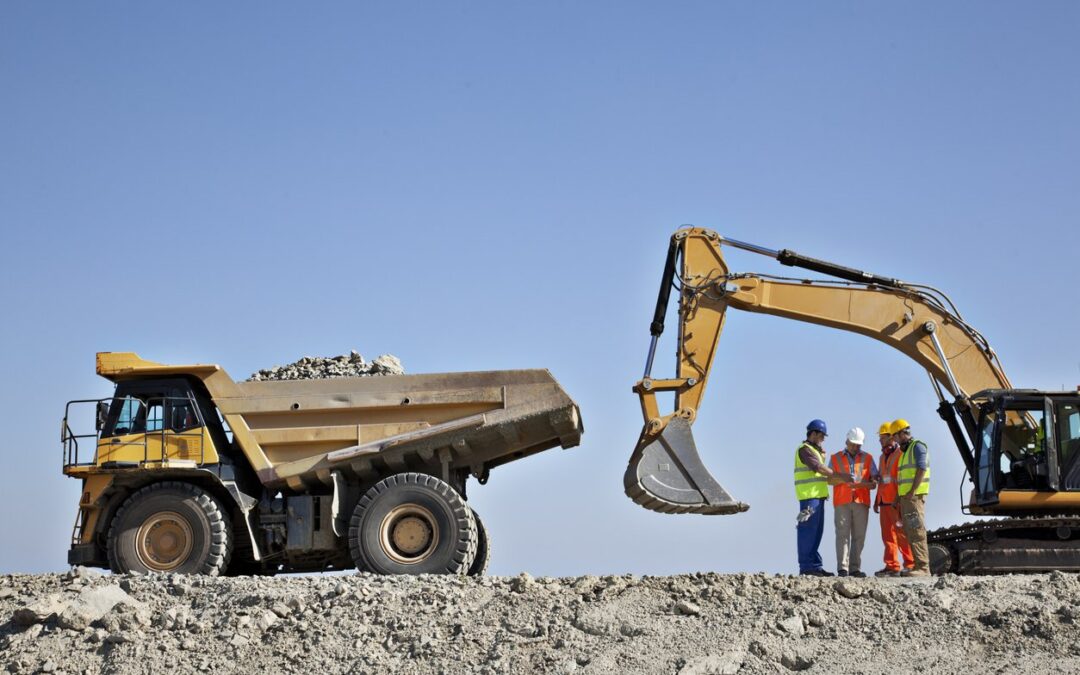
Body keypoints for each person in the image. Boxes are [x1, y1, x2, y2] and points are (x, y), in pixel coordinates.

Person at [795, 419, 852, 576]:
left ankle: (815, 566)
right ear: (813, 434)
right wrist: (842, 476)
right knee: (808, 532)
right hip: (809, 499)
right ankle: (807, 567)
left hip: (817, 498)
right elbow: (819, 468)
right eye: (821, 436)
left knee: (816, 532)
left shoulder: (815, 451)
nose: (823, 439)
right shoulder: (805, 450)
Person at [829, 427, 878, 577]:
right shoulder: (835, 458)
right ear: (847, 441)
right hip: (842, 501)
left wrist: (862, 485)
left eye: (858, 445)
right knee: (842, 535)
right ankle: (842, 568)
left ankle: (855, 568)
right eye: (853, 444)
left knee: (859, 536)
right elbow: (829, 479)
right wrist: (843, 477)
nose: (856, 447)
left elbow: (874, 482)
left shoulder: (868, 458)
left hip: (861, 502)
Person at [873, 421, 914, 576]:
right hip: (884, 501)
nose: (880, 441)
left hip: (896, 501)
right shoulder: (882, 456)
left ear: (891, 437)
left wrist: (899, 498)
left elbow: (900, 478)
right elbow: (883, 480)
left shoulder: (900, 454)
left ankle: (910, 564)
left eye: (883, 437)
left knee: (902, 533)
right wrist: (877, 500)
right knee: (887, 536)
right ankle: (892, 566)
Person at [893, 419, 931, 577]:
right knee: (910, 531)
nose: (894, 440)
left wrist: (912, 491)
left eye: (895, 436)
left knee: (916, 530)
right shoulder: (905, 452)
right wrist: (898, 496)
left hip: (914, 498)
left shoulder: (917, 447)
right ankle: (918, 564)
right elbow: (903, 478)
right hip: (907, 498)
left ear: (902, 433)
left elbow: (922, 468)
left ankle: (923, 567)